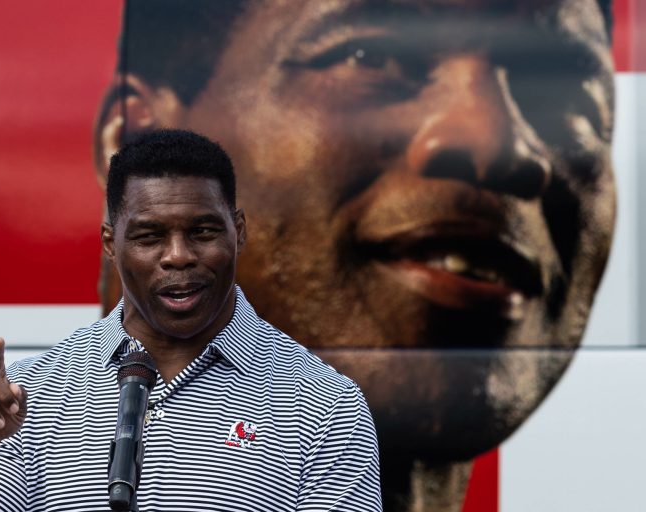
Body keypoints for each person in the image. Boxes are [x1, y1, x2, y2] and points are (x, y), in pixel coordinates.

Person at [93, 1, 617, 510]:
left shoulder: (331, 404)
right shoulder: (50, 401)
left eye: (568, 95)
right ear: (140, 140)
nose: (493, 143)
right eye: (371, 57)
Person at [0, 130, 382, 511]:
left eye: (202, 231)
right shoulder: (31, 397)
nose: (178, 256)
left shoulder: (324, 405)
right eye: (149, 236)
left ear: (238, 232)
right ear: (110, 244)